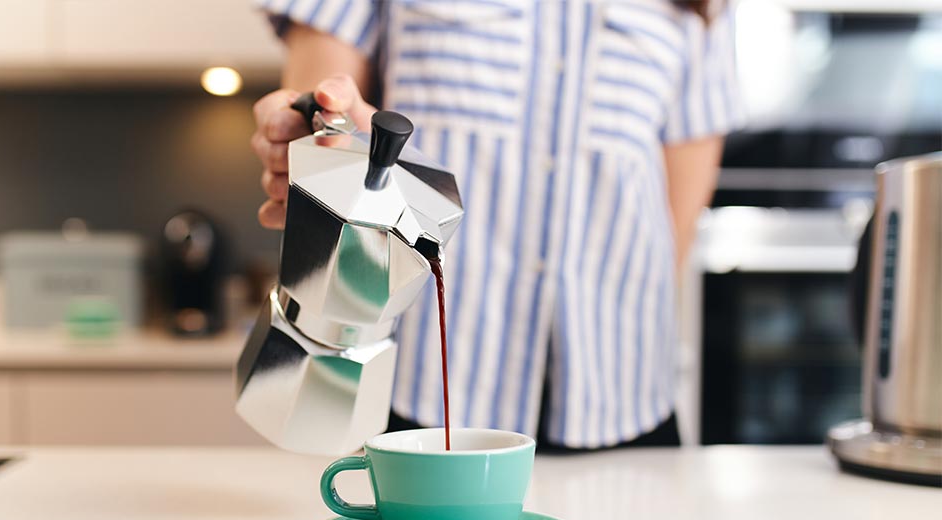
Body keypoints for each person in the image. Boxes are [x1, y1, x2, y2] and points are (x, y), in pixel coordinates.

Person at [251, 0, 743, 449]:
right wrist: (319, 131)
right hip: (421, 389)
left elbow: (679, 212)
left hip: (622, 393)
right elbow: (326, 120)